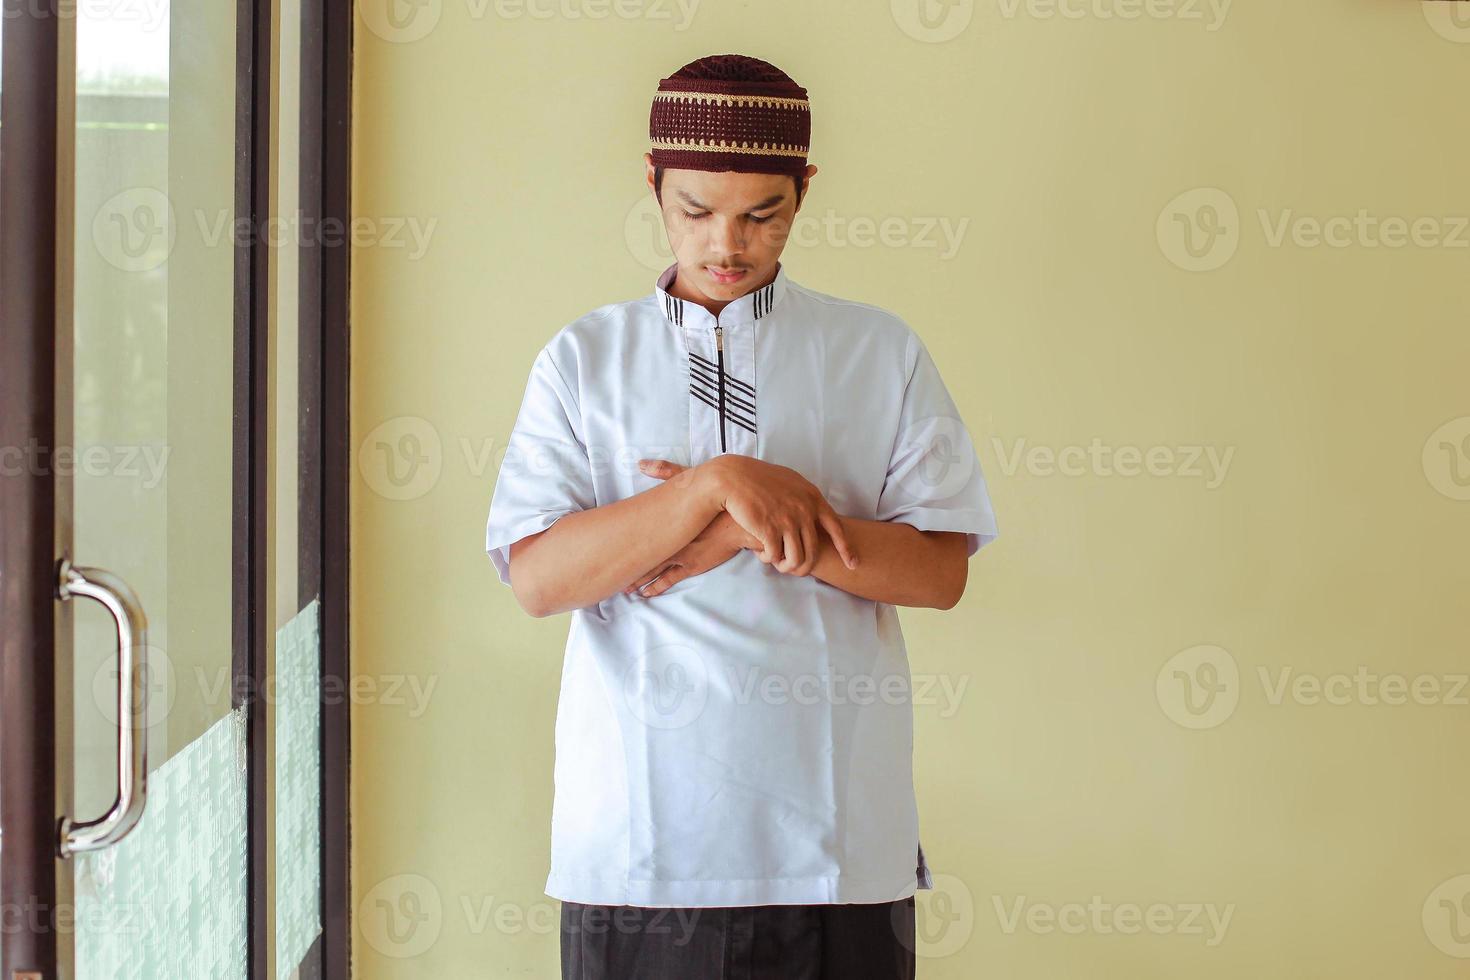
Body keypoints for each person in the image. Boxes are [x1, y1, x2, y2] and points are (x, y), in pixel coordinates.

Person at [483, 52, 999, 980]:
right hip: (641, 850)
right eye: (694, 211)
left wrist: (740, 525)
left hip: (836, 851)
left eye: (762, 214)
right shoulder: (582, 360)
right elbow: (539, 578)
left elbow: (938, 572)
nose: (727, 242)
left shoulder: (877, 352)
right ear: (652, 185)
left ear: (804, 191)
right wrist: (709, 486)